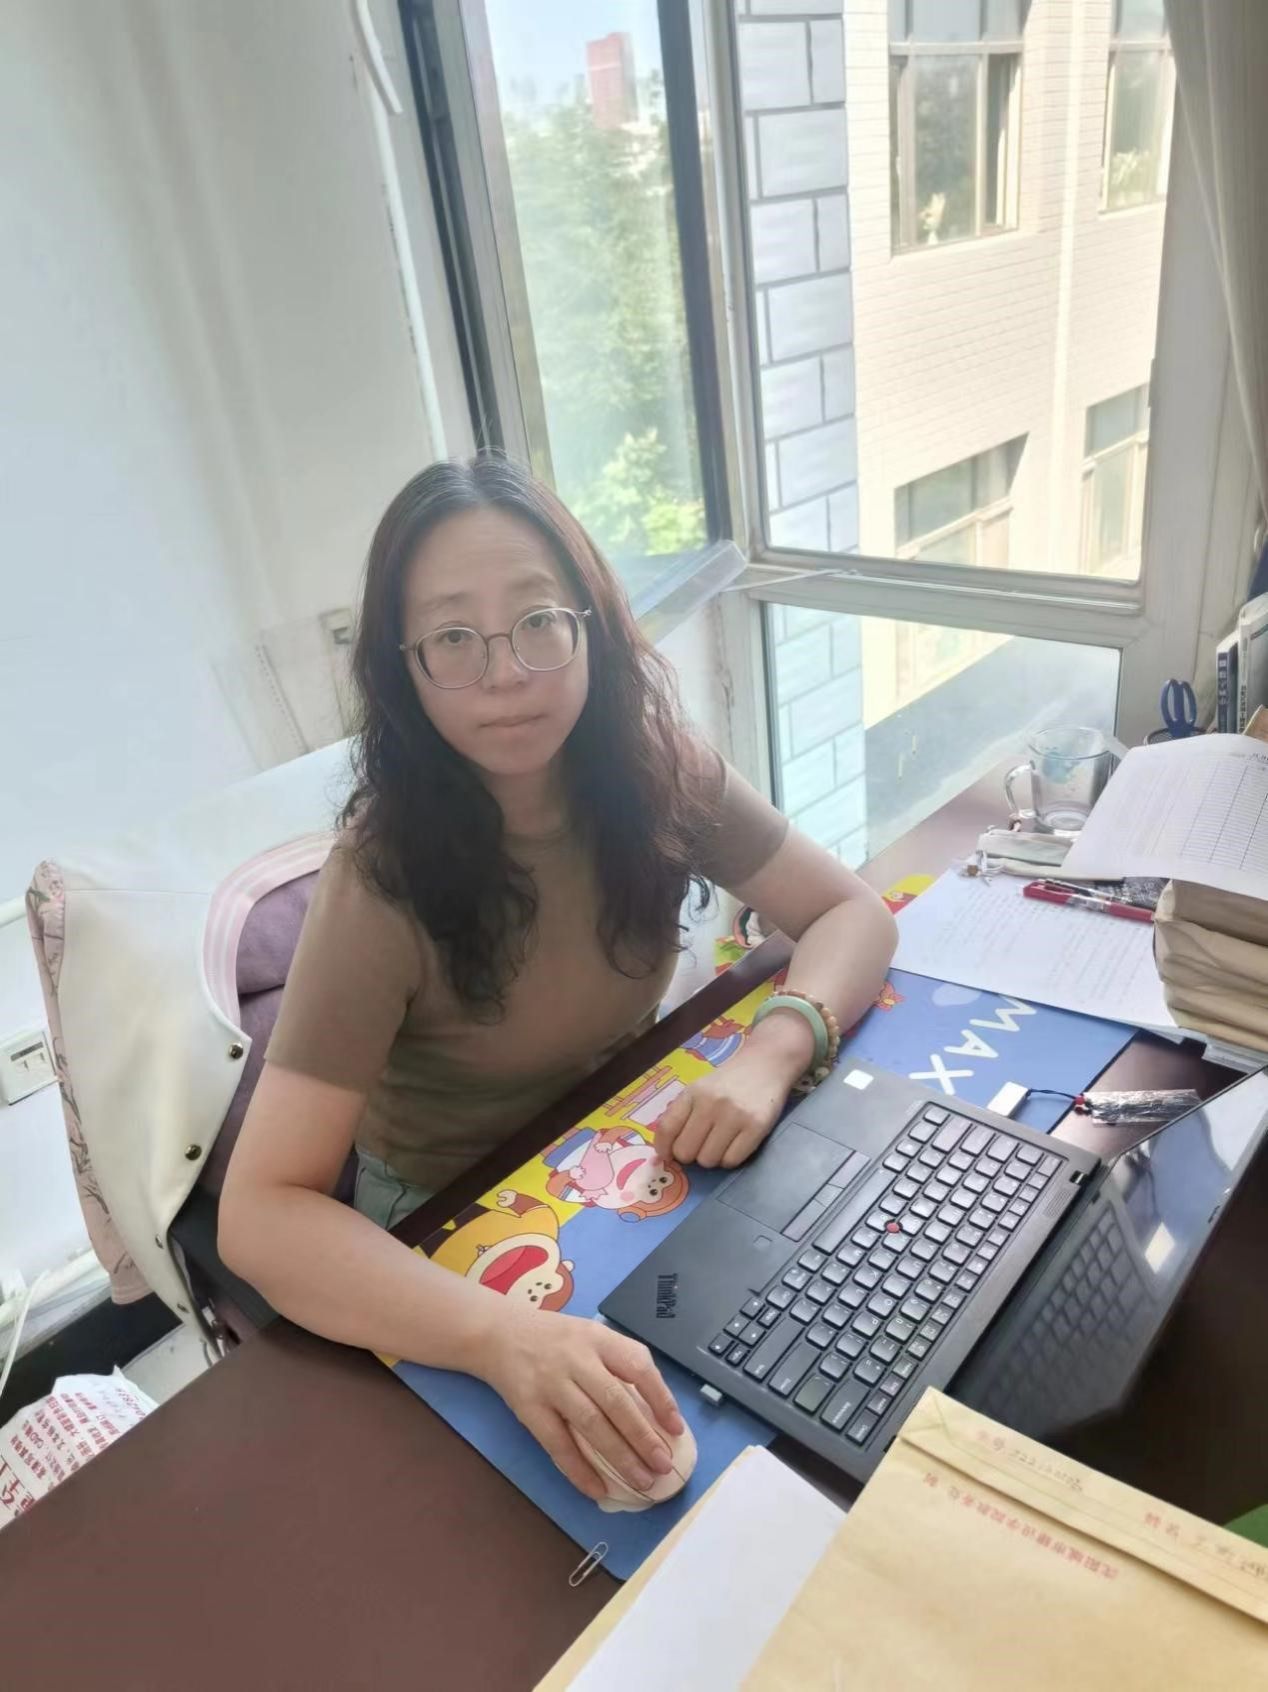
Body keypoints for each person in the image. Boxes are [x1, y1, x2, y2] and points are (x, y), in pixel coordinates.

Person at [220, 456, 897, 1502]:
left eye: (537, 620)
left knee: (810, 1374)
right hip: (454, 1215)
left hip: (626, 1138)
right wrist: (499, 1337)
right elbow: (261, 1214)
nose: (505, 672)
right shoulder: (381, 876)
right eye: (453, 637)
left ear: (590, 625)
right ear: (403, 669)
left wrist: (774, 1050)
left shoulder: (657, 770)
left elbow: (851, 912)